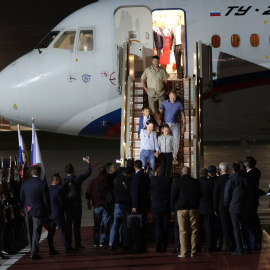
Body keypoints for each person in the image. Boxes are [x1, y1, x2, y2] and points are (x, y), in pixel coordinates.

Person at [20, 164, 50, 260]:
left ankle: (31, 248)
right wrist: (48, 211)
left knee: (29, 230)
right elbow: (46, 200)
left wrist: (23, 208)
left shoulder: (25, 183)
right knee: (36, 232)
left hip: (27, 209)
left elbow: (22, 198)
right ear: (40, 173)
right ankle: (34, 252)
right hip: (37, 210)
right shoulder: (42, 184)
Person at [171, 166, 202, 258]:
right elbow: (200, 194)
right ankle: (193, 251)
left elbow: (173, 197)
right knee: (194, 230)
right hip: (193, 208)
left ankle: (183, 252)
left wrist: (173, 209)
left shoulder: (176, 182)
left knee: (183, 231)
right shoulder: (195, 182)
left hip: (181, 209)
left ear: (181, 172)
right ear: (189, 172)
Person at [62, 156, 91, 251]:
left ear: (66, 171)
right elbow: (88, 173)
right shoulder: (77, 179)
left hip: (68, 206)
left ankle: (69, 244)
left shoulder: (64, 181)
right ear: (73, 170)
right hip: (77, 205)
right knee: (77, 226)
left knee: (68, 225)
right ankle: (78, 244)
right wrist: (88, 163)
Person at [224, 163, 251, 255]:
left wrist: (226, 204)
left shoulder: (231, 180)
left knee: (236, 228)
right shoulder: (245, 179)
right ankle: (248, 247)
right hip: (244, 206)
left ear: (232, 170)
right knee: (245, 226)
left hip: (234, 206)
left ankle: (239, 248)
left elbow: (227, 194)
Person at [85, 163, 115, 247]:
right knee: (105, 224)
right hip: (106, 205)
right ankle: (103, 240)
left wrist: (88, 203)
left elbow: (88, 194)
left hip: (97, 205)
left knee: (97, 224)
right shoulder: (109, 180)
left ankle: (95, 241)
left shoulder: (93, 181)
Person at [47, 173, 75, 255]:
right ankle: (68, 247)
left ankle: (51, 249)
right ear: (56, 180)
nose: (61, 181)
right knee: (63, 231)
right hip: (58, 214)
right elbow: (62, 203)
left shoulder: (48, 189)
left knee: (51, 232)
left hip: (51, 214)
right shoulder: (58, 190)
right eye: (59, 180)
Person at [108, 167, 133, 250]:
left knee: (115, 224)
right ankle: (124, 242)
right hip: (125, 205)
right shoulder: (129, 182)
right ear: (129, 174)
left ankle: (111, 243)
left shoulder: (117, 180)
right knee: (125, 225)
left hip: (117, 204)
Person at [159, 91, 185, 164]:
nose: (172, 99)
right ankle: (164, 155)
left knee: (176, 140)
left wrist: (184, 125)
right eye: (171, 98)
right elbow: (161, 112)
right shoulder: (164, 103)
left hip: (176, 124)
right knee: (165, 139)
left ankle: (174, 157)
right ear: (169, 97)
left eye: (174, 98)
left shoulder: (179, 103)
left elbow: (182, 114)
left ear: (176, 97)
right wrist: (159, 119)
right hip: (166, 124)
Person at [213, 162, 235, 252]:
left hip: (222, 207)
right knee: (233, 226)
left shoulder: (218, 180)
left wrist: (215, 208)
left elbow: (216, 195)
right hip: (232, 205)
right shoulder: (231, 178)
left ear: (220, 170)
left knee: (224, 227)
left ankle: (227, 246)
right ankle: (234, 244)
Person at [130, 160, 151, 252]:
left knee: (139, 227)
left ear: (134, 167)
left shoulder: (136, 177)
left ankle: (140, 247)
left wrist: (134, 205)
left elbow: (135, 192)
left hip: (139, 204)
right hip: (146, 203)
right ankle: (144, 245)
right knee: (144, 226)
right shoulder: (146, 176)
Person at [150, 166, 171, 253]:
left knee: (158, 225)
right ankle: (164, 245)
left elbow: (150, 188)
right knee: (166, 225)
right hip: (166, 205)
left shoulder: (154, 180)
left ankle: (158, 244)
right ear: (165, 172)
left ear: (157, 172)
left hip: (156, 205)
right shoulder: (169, 180)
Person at [244, 156, 262, 250]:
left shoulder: (248, 175)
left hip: (249, 201)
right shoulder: (257, 172)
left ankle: (254, 240)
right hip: (254, 200)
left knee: (251, 221)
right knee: (254, 219)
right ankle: (257, 239)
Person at [198, 168, 214, 252]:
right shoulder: (210, 183)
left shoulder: (196, 182)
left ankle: (198, 246)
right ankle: (208, 247)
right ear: (206, 174)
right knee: (208, 228)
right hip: (208, 207)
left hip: (198, 208)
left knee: (198, 228)